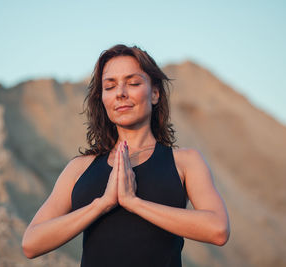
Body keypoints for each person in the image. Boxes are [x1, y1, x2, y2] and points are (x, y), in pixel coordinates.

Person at [22, 44, 230, 266]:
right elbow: (31, 243)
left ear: (155, 93)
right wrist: (102, 204)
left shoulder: (185, 161)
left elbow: (217, 230)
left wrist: (134, 203)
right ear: (102, 99)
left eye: (133, 83)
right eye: (110, 87)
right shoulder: (79, 168)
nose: (121, 93)